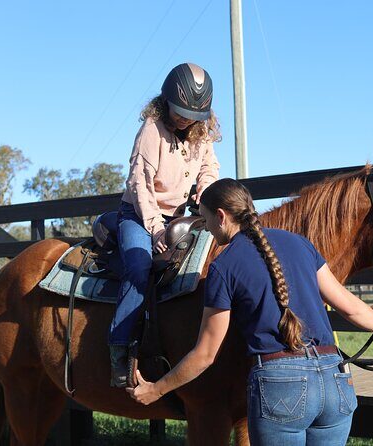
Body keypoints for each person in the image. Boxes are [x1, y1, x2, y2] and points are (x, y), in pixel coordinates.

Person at [126, 178, 373, 445]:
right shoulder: (302, 244)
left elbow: (205, 355)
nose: (207, 229)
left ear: (221, 217)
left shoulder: (223, 266)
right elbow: (350, 306)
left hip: (281, 387)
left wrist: (158, 389)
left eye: (204, 219)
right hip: (335, 382)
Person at [109, 63, 221, 387]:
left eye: (192, 115)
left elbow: (209, 168)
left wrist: (207, 191)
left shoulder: (202, 133)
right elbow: (141, 184)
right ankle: (118, 347)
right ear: (166, 100)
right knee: (140, 267)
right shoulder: (151, 129)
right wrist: (155, 228)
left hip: (182, 214)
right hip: (139, 215)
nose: (186, 119)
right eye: (181, 112)